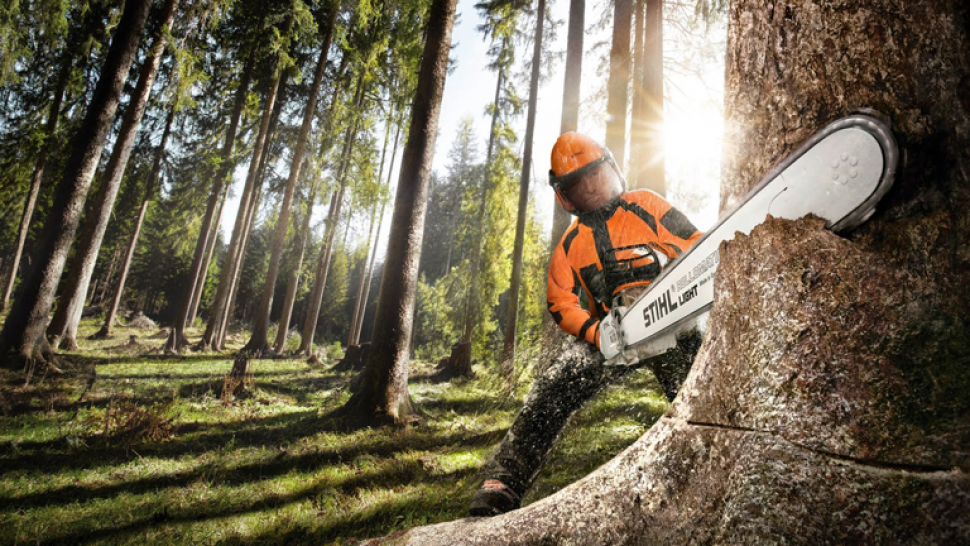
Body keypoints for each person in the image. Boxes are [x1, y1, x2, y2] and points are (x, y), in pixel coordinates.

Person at [469, 132, 703, 517]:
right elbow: (560, 301)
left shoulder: (645, 204)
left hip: (671, 321)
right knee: (553, 387)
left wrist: (667, 265)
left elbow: (694, 241)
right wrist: (594, 331)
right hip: (611, 334)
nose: (592, 188)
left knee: (698, 386)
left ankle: (709, 452)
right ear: (565, 195)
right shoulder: (570, 243)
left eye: (595, 177)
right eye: (580, 185)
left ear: (611, 170)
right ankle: (504, 479)